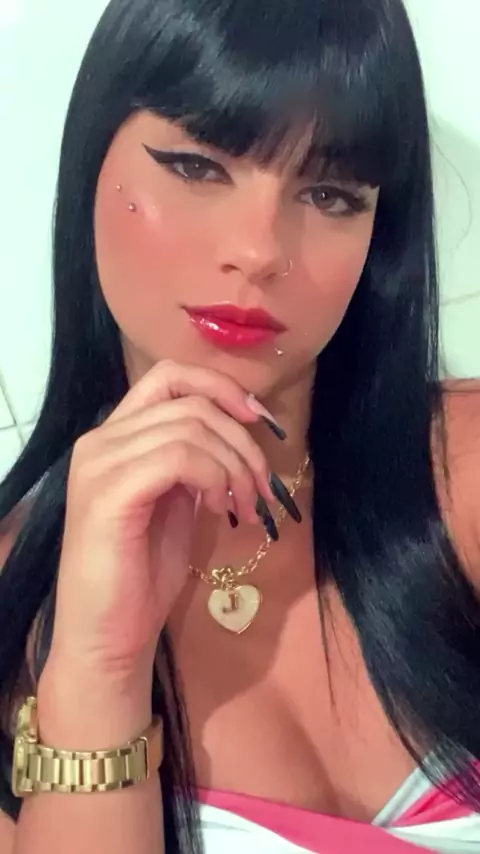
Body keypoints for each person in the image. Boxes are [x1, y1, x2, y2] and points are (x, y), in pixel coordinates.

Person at [0, 0, 479, 851]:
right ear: (90, 165)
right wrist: (98, 670)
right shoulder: (15, 599)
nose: (260, 250)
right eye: (197, 166)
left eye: (329, 193)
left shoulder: (463, 470)